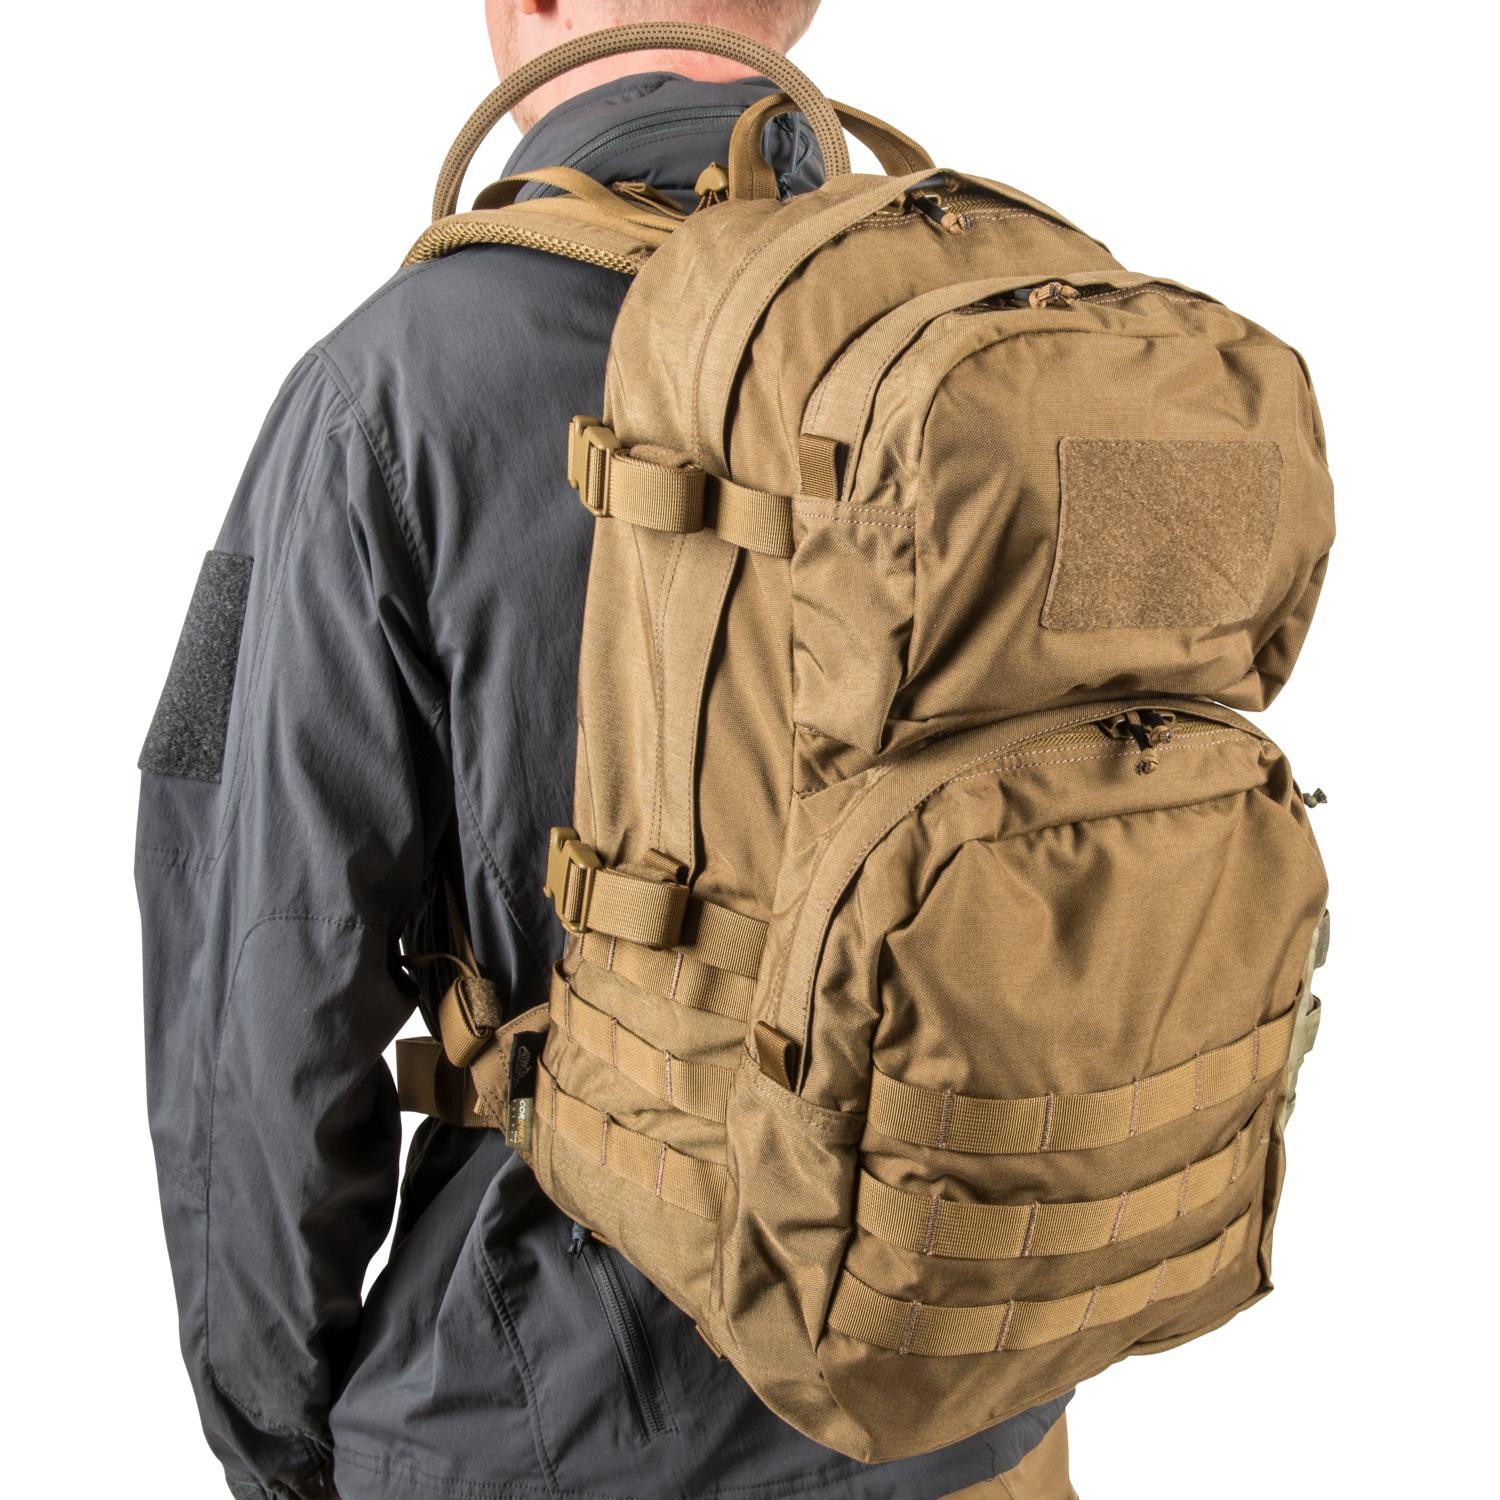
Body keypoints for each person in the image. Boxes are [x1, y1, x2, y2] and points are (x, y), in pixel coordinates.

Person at [135, 3, 1078, 1497]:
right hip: (976, 1395)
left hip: (556, 1422)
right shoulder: (1007, 320)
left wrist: (279, 1442)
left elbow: (255, 968)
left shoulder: (393, 384)